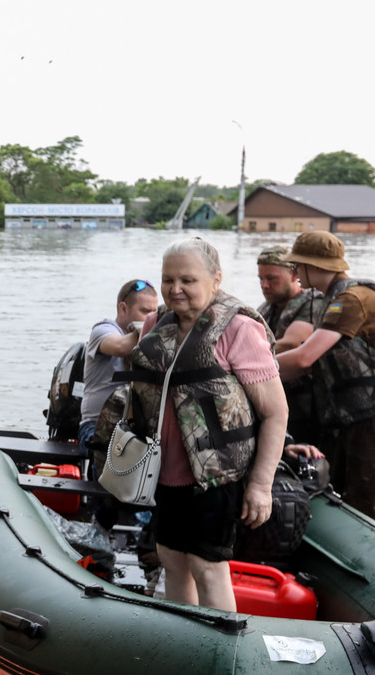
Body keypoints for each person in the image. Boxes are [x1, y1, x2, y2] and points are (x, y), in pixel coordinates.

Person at [129, 238, 286, 611]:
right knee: (171, 557)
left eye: (188, 280)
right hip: (165, 471)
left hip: (217, 476)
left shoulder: (239, 329)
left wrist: (261, 486)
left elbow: (276, 413)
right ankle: (183, 644)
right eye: (168, 280)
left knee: (207, 565)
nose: (175, 289)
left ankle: (220, 654)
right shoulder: (156, 322)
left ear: (216, 280)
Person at [276, 231, 375, 517]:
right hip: (352, 417)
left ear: (316, 266)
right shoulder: (334, 298)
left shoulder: (350, 300)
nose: (294, 271)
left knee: (362, 502)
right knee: (342, 493)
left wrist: (251, 371)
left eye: (298, 265)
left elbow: (305, 357)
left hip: (367, 418)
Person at [78, 279, 159, 456]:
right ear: (123, 308)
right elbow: (121, 347)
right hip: (95, 426)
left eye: (155, 313)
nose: (151, 318)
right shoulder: (103, 329)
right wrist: (158, 326)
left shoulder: (153, 337)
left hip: (133, 427)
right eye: (145, 311)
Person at [255, 244, 325, 447]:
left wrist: (246, 359)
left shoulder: (312, 303)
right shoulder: (264, 308)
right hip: (274, 404)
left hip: (307, 408)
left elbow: (292, 343)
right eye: (261, 279)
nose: (264, 285)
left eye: (272, 278)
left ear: (295, 275)